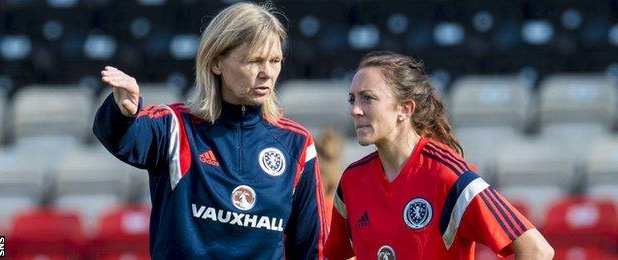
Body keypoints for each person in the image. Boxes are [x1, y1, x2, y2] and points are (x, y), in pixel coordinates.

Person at [93, 2, 326, 259]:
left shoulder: (296, 143)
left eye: (275, 61)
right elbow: (122, 138)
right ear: (217, 63)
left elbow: (311, 247)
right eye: (254, 61)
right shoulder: (175, 126)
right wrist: (124, 112)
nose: (267, 73)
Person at [324, 52, 554, 260]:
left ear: (405, 109)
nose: (355, 110)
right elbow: (337, 255)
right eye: (352, 99)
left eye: (368, 98)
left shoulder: (447, 174)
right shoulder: (352, 180)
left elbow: (536, 250)